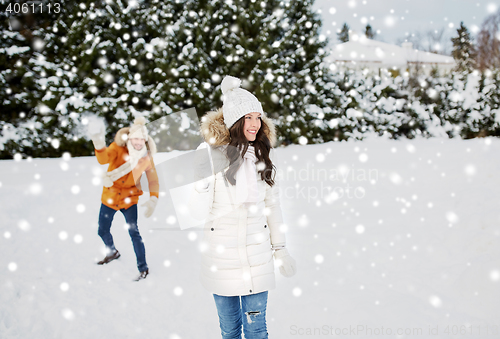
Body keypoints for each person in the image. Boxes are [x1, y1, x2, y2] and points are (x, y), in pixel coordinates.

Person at [190, 75, 297, 338]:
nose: (254, 123)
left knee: (256, 330)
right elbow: (197, 210)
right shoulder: (213, 157)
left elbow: (272, 207)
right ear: (235, 122)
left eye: (257, 117)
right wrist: (200, 180)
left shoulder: (262, 158)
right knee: (229, 331)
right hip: (221, 258)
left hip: (257, 258)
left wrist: (280, 249)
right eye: (247, 117)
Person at [88, 116, 159, 281]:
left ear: (145, 140)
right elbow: (103, 158)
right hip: (110, 198)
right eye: (135, 138)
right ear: (129, 138)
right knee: (102, 230)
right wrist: (98, 141)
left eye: (142, 139)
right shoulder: (118, 149)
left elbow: (153, 180)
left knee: (134, 234)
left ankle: (143, 268)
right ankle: (112, 252)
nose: (138, 142)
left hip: (129, 200)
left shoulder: (146, 158)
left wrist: (153, 199)